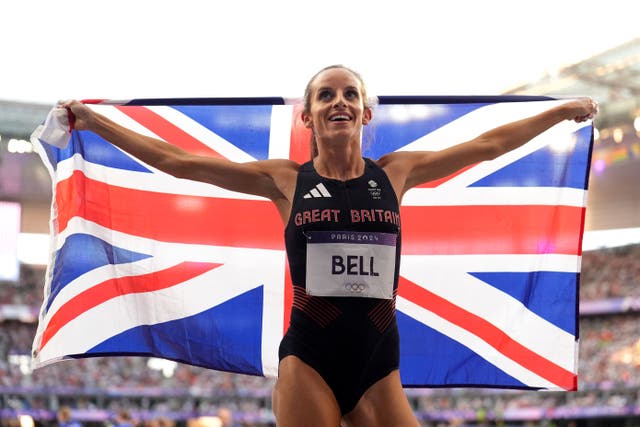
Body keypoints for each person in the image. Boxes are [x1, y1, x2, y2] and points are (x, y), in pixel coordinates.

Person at [62, 65, 598, 427]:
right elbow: (179, 163)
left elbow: (488, 145)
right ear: (309, 116)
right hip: (310, 361)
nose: (338, 101)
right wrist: (95, 121)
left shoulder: (398, 172)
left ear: (365, 114)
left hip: (379, 363)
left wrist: (558, 112)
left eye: (349, 95)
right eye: (325, 95)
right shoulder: (283, 181)